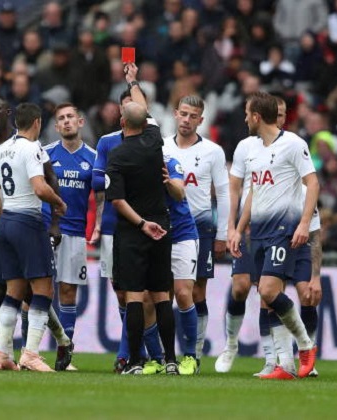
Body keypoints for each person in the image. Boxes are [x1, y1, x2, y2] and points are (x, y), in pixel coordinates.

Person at [215, 98, 323, 379]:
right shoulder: (255, 151)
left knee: (268, 292)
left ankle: (305, 345)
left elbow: (313, 183)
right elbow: (254, 192)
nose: (244, 120)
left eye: (247, 115)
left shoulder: (293, 144)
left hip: (282, 231)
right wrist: (238, 228)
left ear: (257, 117)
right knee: (268, 296)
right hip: (258, 233)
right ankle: (285, 364)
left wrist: (302, 223)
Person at [0, 94, 72, 371]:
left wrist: (2, 222)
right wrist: (58, 202)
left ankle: (1, 354)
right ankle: (31, 354)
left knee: (13, 290)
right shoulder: (32, 148)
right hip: (28, 221)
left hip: (7, 222)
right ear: (37, 123)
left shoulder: (1, 152)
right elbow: (40, 187)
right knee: (44, 288)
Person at [106, 63, 178, 375]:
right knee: (162, 295)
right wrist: (133, 81)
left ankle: (135, 361)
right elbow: (144, 109)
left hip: (135, 231)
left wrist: (140, 224)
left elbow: (118, 201)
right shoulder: (155, 140)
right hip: (162, 224)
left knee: (134, 297)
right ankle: (171, 361)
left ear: (122, 122)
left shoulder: (118, 156)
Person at [92, 89, 165, 374]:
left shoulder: (150, 140)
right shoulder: (107, 142)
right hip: (114, 226)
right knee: (123, 293)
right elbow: (98, 181)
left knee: (144, 294)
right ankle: (142, 354)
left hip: (142, 225)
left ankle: (129, 355)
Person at [163, 95, 230, 368]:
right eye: (184, 114)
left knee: (196, 291)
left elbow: (223, 193)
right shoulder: (162, 147)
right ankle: (164, 353)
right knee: (164, 291)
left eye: (193, 116)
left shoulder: (213, 151)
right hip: (166, 225)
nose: (187, 120)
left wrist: (223, 233)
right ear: (176, 114)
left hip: (200, 226)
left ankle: (195, 353)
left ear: (201, 120)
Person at [41, 103, 96, 364]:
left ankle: (65, 353)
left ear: (80, 121)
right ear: (56, 126)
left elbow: (104, 196)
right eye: (61, 118)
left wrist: (96, 227)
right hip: (46, 231)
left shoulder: (94, 158)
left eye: (70, 117)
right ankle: (32, 352)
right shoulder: (45, 154)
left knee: (68, 293)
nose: (66, 122)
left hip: (75, 234)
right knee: (38, 293)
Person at [161, 148, 200, 375]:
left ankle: (190, 356)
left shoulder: (170, 162)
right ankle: (164, 357)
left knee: (183, 294)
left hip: (183, 234)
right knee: (158, 297)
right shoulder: (134, 159)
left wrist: (167, 181)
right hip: (156, 235)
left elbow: (179, 193)